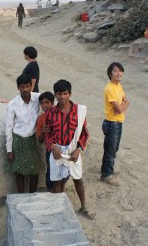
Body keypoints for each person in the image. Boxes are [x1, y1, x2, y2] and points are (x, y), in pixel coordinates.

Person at [44, 79, 96, 220]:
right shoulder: (51, 113)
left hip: (73, 150)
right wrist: (52, 146)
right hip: (57, 151)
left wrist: (78, 149)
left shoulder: (79, 111)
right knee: (57, 180)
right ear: (55, 95)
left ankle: (84, 206)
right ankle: (58, 209)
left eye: (65, 93)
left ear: (70, 94)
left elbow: (84, 134)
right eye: (59, 94)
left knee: (78, 179)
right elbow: (47, 133)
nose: (62, 97)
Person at [5, 74, 41, 193]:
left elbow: (50, 106)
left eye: (27, 86)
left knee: (35, 171)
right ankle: (21, 197)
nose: (25, 90)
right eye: (22, 87)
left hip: (32, 140)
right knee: (19, 172)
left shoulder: (38, 99)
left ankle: (32, 196)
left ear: (31, 86)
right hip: (18, 140)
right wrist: (9, 150)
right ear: (18, 88)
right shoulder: (12, 104)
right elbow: (9, 127)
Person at [100, 62, 130, 186]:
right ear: (110, 73)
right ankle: (106, 175)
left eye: (120, 71)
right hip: (112, 123)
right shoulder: (110, 88)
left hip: (118, 122)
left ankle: (108, 170)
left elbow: (127, 101)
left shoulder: (119, 86)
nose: (119, 73)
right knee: (110, 150)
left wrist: (123, 106)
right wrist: (123, 106)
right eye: (116, 71)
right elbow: (120, 108)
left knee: (114, 149)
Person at [36, 91, 69, 193]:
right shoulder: (41, 119)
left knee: (64, 176)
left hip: (64, 149)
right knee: (51, 175)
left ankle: (61, 195)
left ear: (52, 103)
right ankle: (51, 194)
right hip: (50, 151)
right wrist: (43, 132)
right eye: (42, 103)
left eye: (47, 102)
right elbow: (40, 140)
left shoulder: (61, 115)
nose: (44, 105)